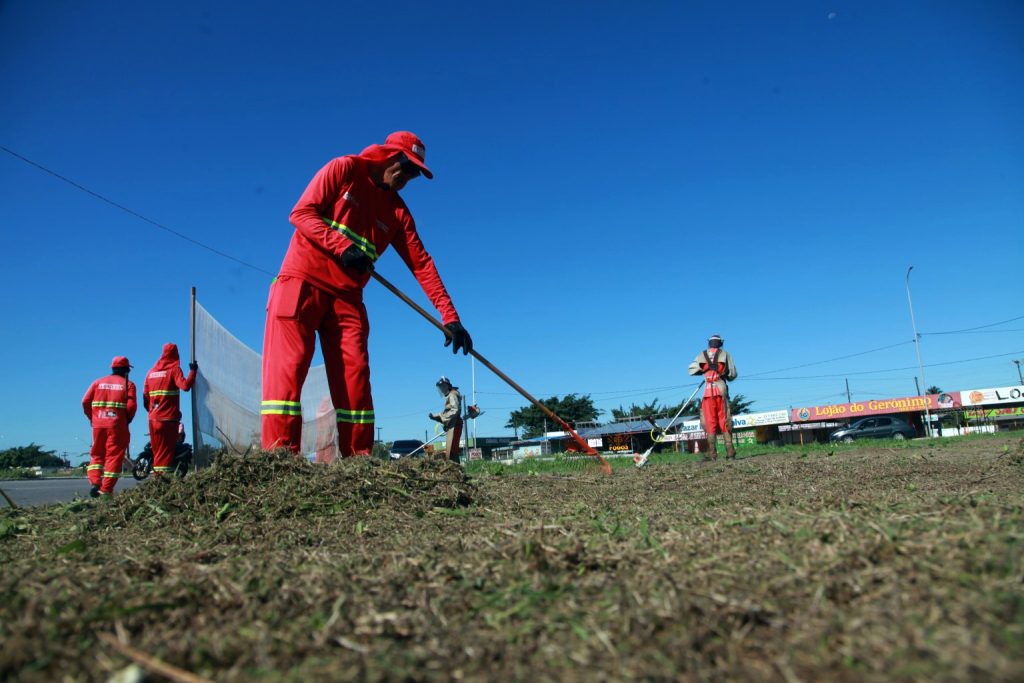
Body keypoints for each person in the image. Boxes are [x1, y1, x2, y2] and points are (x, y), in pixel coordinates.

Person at [262, 131, 472, 457]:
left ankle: (357, 466)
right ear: (387, 156)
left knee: (355, 384)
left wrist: (451, 318)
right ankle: (277, 462)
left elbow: (422, 265)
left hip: (347, 300)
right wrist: (342, 246)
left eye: (414, 174)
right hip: (302, 287)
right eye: (405, 168)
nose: (406, 178)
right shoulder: (344, 169)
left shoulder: (398, 213)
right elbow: (301, 213)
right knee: (286, 381)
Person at [82, 356, 137, 497]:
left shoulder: (97, 382)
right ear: (126, 370)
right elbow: (131, 406)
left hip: (98, 424)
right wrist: (127, 420)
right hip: (117, 425)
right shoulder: (128, 385)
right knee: (114, 457)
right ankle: (106, 490)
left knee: (97, 453)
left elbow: (85, 401)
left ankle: (95, 482)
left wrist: (92, 418)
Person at [143, 343, 197, 478]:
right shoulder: (174, 370)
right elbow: (185, 386)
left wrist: (152, 412)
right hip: (168, 419)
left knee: (157, 451)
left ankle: (157, 478)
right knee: (166, 452)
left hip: (153, 418)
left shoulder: (151, 373)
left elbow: (145, 397)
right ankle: (163, 481)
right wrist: (193, 371)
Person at [688, 334, 738, 460]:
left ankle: (712, 454)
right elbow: (732, 374)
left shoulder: (701, 355)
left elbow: (691, 370)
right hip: (721, 390)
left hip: (707, 392)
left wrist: (704, 370)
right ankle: (730, 453)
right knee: (725, 420)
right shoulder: (725, 354)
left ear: (709, 343)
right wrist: (723, 372)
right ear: (720, 343)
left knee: (710, 423)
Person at [429, 376, 463, 464]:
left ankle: (456, 469)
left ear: (448, 386)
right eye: (441, 388)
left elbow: (455, 410)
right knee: (450, 449)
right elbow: (448, 413)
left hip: (455, 424)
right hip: (452, 424)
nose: (442, 389)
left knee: (452, 449)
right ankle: (454, 468)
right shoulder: (450, 395)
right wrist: (438, 418)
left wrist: (441, 417)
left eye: (443, 387)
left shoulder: (452, 394)